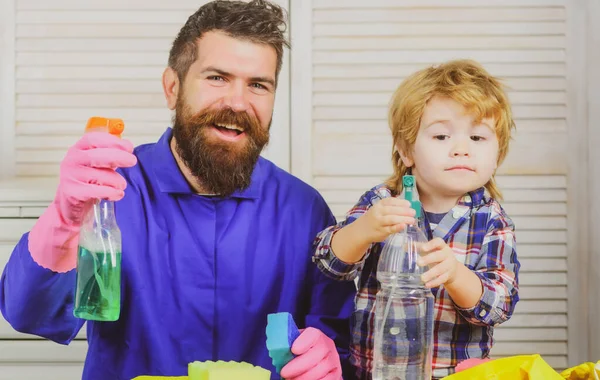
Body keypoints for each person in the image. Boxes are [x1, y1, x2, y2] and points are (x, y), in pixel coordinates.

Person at [0, 1, 355, 379]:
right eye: (217, 77)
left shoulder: (303, 209)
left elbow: (339, 334)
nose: (237, 102)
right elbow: (30, 315)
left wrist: (331, 356)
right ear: (173, 87)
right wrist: (64, 219)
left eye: (257, 85)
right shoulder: (110, 194)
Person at [312, 60, 520, 379]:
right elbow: (328, 264)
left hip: (456, 374)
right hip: (376, 371)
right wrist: (363, 230)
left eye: (478, 138)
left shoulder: (492, 219)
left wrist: (456, 275)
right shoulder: (382, 202)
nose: (461, 149)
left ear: (497, 155)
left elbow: (498, 305)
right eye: (441, 137)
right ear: (406, 150)